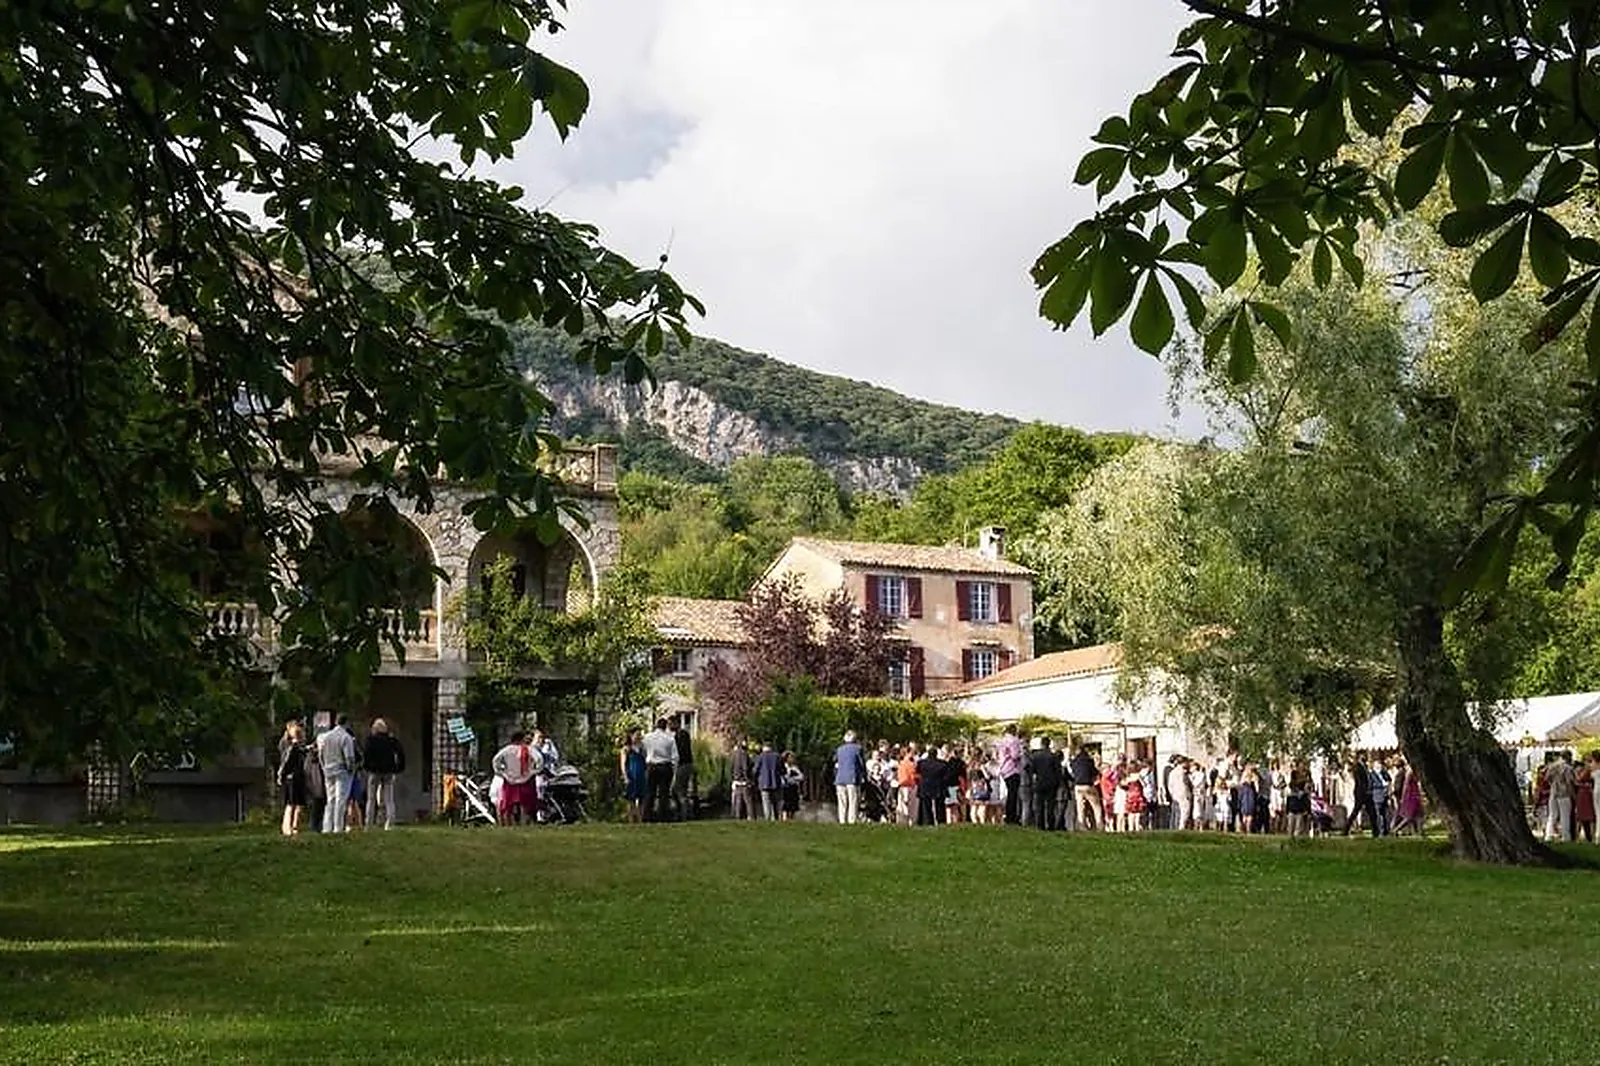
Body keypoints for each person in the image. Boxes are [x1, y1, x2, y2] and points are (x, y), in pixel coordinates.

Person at [316, 714, 358, 833]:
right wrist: (351, 769)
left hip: (328, 770)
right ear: (347, 723)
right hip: (342, 770)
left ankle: (327, 826)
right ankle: (338, 826)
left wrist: (324, 767)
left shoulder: (326, 737)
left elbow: (321, 754)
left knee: (330, 799)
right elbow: (349, 756)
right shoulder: (346, 737)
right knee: (341, 799)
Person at [363, 718, 405, 830]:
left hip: (374, 771)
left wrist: (367, 767)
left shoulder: (371, 740)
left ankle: (369, 824)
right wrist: (398, 768)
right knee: (389, 799)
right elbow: (400, 754)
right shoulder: (391, 740)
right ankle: (390, 823)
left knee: (371, 799)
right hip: (388, 771)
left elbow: (366, 755)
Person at [491, 731, 539, 825]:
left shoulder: (507, 750)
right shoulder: (528, 749)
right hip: (525, 780)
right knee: (525, 805)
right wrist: (533, 771)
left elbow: (495, 760)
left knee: (508, 805)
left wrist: (502, 773)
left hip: (510, 780)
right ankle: (524, 823)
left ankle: (509, 824)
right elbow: (539, 760)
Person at [642, 718, 678, 823]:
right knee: (664, 792)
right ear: (665, 726)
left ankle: (647, 816)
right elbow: (675, 756)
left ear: (656, 725)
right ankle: (663, 816)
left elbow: (643, 750)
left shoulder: (647, 737)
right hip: (665, 766)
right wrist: (674, 768)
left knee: (650, 792)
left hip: (652, 766)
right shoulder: (669, 739)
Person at [276, 721, 309, 836]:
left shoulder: (293, 745)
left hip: (295, 776)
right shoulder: (292, 746)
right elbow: (287, 761)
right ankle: (290, 827)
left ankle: (292, 826)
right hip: (293, 776)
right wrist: (282, 774)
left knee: (295, 803)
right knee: (292, 803)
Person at [833, 730, 867, 824]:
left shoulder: (839, 749)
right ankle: (852, 821)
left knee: (842, 802)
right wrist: (865, 777)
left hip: (839, 779)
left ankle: (842, 820)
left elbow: (835, 762)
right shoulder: (858, 748)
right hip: (852, 778)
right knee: (853, 801)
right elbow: (861, 764)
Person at [1027, 736, 1060, 830]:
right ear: (1049, 744)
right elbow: (1058, 771)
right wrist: (1058, 783)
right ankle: (1050, 826)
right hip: (1051, 783)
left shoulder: (1035, 756)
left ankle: (1040, 825)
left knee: (1039, 806)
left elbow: (1031, 771)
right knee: (1050, 806)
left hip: (1039, 782)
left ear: (1041, 744)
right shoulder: (1053, 756)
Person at [1545, 750, 1577, 842]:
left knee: (1552, 815)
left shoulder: (1552, 766)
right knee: (1565, 815)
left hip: (1553, 792)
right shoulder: (1568, 768)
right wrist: (1573, 795)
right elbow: (1569, 783)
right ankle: (1565, 836)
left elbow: (1546, 778)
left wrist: (1553, 784)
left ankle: (1549, 835)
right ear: (1568, 757)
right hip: (1564, 793)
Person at [997, 725, 1024, 825]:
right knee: (1013, 794)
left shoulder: (1002, 741)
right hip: (1013, 769)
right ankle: (1011, 816)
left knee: (1010, 793)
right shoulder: (1014, 740)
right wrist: (1021, 754)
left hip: (1004, 769)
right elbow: (1015, 755)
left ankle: (1009, 815)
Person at [1070, 745, 1102, 831]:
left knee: (1080, 808)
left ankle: (1082, 826)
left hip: (1077, 786)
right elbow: (1094, 772)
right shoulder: (1089, 761)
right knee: (1096, 807)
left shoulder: (1073, 761)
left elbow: (1072, 773)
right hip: (1088, 785)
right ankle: (1099, 825)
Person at [671, 715, 696, 821]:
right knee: (679, 791)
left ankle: (684, 814)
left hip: (683, 765)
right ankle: (685, 813)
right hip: (686, 765)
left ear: (676, 723)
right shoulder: (682, 734)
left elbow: (680, 752)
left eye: (670, 724)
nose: (669, 727)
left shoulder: (680, 735)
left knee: (679, 791)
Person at [1344, 757, 1377, 837]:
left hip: (1367, 793)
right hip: (1361, 793)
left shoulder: (1365, 767)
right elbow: (1360, 781)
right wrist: (1364, 790)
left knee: (1372, 812)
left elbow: (1368, 779)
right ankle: (1346, 829)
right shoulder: (1358, 767)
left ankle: (1376, 831)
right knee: (1356, 811)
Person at [916, 744, 948, 825]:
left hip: (925, 786)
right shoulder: (943, 764)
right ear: (936, 754)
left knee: (926, 806)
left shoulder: (921, 763)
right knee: (940, 806)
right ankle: (941, 821)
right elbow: (946, 775)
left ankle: (927, 821)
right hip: (938, 787)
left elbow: (918, 772)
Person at [620, 729, 647, 823]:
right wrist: (625, 776)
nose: (639, 737)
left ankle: (640, 819)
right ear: (631, 736)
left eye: (640, 735)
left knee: (642, 798)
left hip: (641, 775)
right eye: (637, 735)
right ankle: (631, 819)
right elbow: (623, 764)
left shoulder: (642, 748)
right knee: (631, 799)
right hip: (632, 775)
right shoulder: (626, 749)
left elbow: (645, 762)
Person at [755, 741, 784, 821]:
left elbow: (755, 770)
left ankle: (767, 819)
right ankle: (777, 818)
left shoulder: (760, 757)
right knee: (776, 803)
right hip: (776, 783)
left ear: (763, 747)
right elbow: (783, 770)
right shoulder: (777, 756)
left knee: (766, 803)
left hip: (764, 784)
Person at [729, 737, 755, 821]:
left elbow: (731, 767)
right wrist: (748, 779)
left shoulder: (733, 754)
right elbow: (745, 767)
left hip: (736, 780)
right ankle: (751, 817)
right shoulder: (744, 754)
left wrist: (733, 778)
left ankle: (737, 817)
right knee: (748, 801)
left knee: (738, 801)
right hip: (744, 781)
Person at [1578, 753, 1599, 844]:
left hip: (1596, 790)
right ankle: (1596, 835)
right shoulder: (1593, 766)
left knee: (1598, 813)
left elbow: (1581, 778)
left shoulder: (1592, 767)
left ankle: (1597, 835)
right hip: (1594, 790)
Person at [780, 751, 804, 820]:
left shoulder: (795, 768)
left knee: (793, 805)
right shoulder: (782, 767)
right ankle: (784, 818)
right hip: (785, 788)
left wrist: (793, 779)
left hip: (793, 788)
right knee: (785, 804)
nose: (791, 759)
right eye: (789, 758)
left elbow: (801, 776)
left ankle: (791, 818)